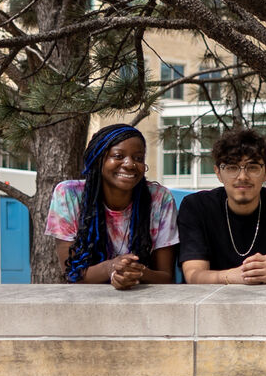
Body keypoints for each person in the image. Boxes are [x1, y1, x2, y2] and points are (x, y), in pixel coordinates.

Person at [47, 123, 179, 288]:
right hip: (86, 301)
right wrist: (111, 268)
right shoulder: (69, 195)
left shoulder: (160, 198)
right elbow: (72, 274)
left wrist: (134, 271)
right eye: (118, 156)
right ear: (98, 159)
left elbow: (167, 278)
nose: (130, 164)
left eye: (138, 158)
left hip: (144, 300)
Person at [177, 127, 266, 284]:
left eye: (252, 167)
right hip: (211, 303)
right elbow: (193, 275)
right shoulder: (196, 207)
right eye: (232, 167)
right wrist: (232, 276)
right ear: (218, 173)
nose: (242, 176)